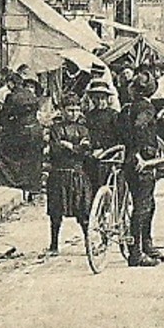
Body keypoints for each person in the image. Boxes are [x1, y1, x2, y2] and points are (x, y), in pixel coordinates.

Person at [122, 74, 164, 266]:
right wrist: (141, 155)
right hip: (143, 160)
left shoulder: (127, 108)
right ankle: (136, 253)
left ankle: (146, 245)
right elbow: (140, 127)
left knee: (147, 203)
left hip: (130, 159)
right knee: (143, 206)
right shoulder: (146, 107)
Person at [0, 74, 45, 198]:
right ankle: (32, 185)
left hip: (21, 132)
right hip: (36, 131)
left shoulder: (12, 96)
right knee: (31, 156)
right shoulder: (31, 95)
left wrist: (5, 122)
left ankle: (5, 179)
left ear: (11, 83)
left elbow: (4, 116)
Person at [45, 97, 94, 254]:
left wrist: (70, 146)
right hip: (59, 174)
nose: (74, 113)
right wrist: (77, 147)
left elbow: (86, 152)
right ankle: (54, 245)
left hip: (78, 175)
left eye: (77, 110)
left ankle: (89, 243)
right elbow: (56, 151)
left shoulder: (83, 129)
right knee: (55, 213)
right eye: (70, 110)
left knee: (83, 213)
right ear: (62, 110)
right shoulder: (56, 129)